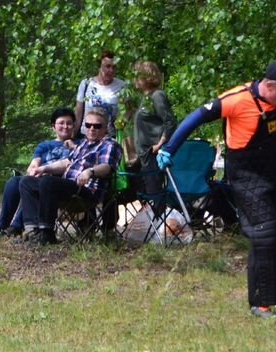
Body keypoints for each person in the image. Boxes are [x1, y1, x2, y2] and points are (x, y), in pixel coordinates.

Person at [157, 59, 276, 318]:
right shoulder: (236, 100)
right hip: (246, 175)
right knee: (264, 231)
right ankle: (260, 302)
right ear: (270, 85)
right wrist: (170, 149)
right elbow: (195, 117)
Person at [19, 108, 122, 245]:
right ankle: (33, 232)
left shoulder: (110, 145)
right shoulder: (84, 143)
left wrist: (90, 171)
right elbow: (66, 162)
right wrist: (43, 168)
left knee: (48, 182)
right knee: (27, 182)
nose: (91, 129)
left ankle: (47, 234)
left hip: (86, 192)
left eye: (97, 126)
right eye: (88, 125)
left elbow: (107, 167)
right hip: (68, 188)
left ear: (105, 128)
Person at [0, 108, 78, 238]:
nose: (65, 126)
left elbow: (74, 164)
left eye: (69, 123)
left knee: (33, 185)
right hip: (40, 175)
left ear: (74, 125)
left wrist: (74, 147)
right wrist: (34, 170)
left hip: (59, 182)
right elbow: (35, 163)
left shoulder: (80, 144)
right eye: (61, 123)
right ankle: (2, 227)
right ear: (53, 126)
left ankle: (17, 227)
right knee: (14, 182)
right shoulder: (45, 145)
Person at [132, 60, 177, 195]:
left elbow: (170, 122)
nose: (135, 79)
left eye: (137, 75)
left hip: (153, 155)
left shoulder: (157, 96)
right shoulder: (145, 98)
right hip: (143, 156)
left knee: (154, 194)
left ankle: (159, 216)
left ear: (146, 77)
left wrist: (160, 144)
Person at [74, 50, 128, 138]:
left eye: (114, 67)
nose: (111, 70)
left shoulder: (122, 86)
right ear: (99, 67)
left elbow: (129, 109)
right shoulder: (86, 84)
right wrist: (73, 135)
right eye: (107, 66)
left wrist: (122, 121)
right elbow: (78, 112)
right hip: (86, 135)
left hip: (109, 136)